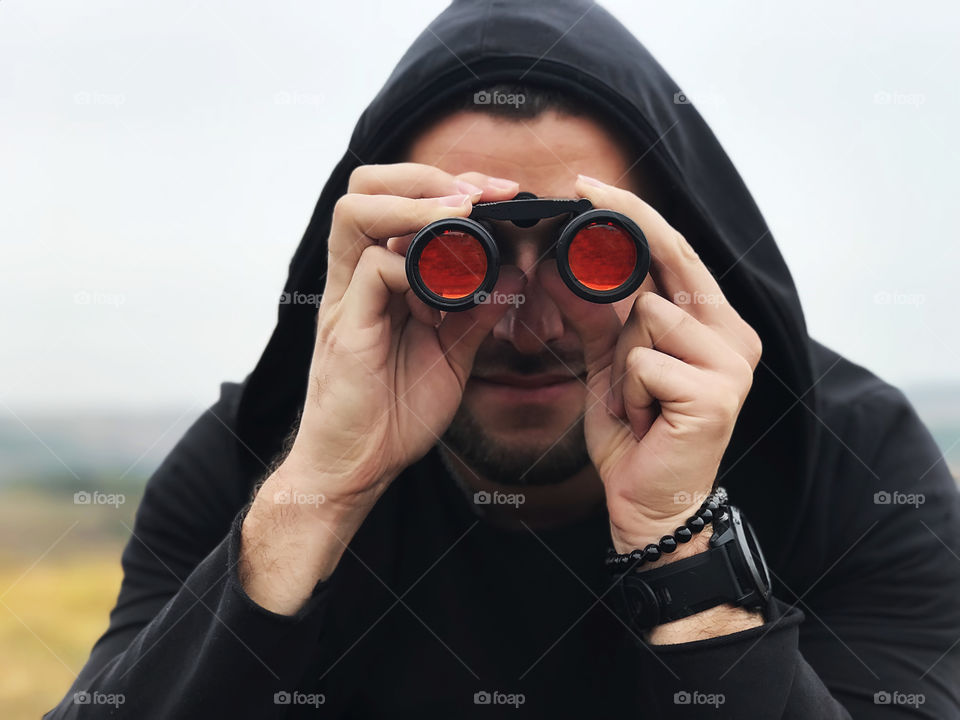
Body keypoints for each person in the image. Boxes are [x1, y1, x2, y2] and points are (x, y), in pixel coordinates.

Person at [47, 1, 960, 717]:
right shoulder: (255, 470)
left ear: (678, 256)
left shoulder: (848, 463)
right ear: (379, 264)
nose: (523, 324)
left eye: (592, 256)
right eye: (457, 258)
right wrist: (317, 497)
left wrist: (678, 536)